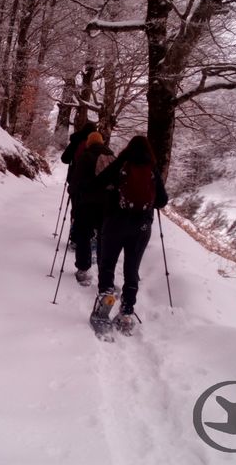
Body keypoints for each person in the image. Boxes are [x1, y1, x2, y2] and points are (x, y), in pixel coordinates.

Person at [90, 135, 168, 334]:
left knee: (107, 263)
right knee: (131, 268)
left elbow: (98, 183)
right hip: (141, 227)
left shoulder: (121, 164)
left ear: (128, 148)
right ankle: (126, 311)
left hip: (115, 222)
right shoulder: (152, 169)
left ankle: (107, 297)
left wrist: (111, 193)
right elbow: (162, 201)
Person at [68, 131, 114, 286]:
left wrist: (72, 191)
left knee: (83, 235)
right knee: (104, 238)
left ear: (89, 142)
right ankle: (104, 271)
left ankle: (83, 268)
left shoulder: (86, 156)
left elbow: (76, 179)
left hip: (87, 203)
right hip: (107, 205)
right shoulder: (111, 156)